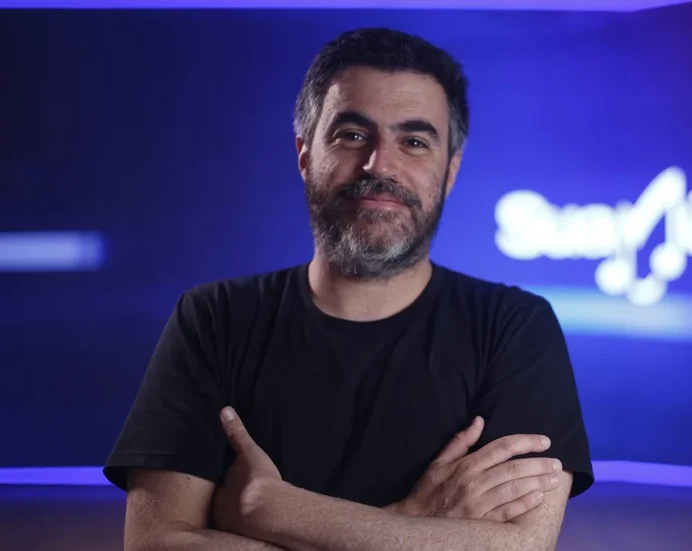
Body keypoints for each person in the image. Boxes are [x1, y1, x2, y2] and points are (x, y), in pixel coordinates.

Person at [104, 27, 593, 551]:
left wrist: (272, 508)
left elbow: (522, 547)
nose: (380, 165)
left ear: (450, 172)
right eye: (353, 135)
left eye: (414, 142)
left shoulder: (514, 327)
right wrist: (408, 523)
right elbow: (154, 544)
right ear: (304, 155)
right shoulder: (214, 318)